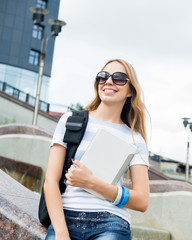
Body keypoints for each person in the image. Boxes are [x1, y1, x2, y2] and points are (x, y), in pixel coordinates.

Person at [44, 59, 149, 240]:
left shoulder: (134, 138)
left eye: (119, 78)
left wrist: (92, 182)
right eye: (103, 77)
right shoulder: (70, 121)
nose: (108, 81)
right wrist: (61, 233)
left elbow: (142, 200)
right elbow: (50, 181)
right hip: (66, 216)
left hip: (111, 223)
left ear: (131, 90)